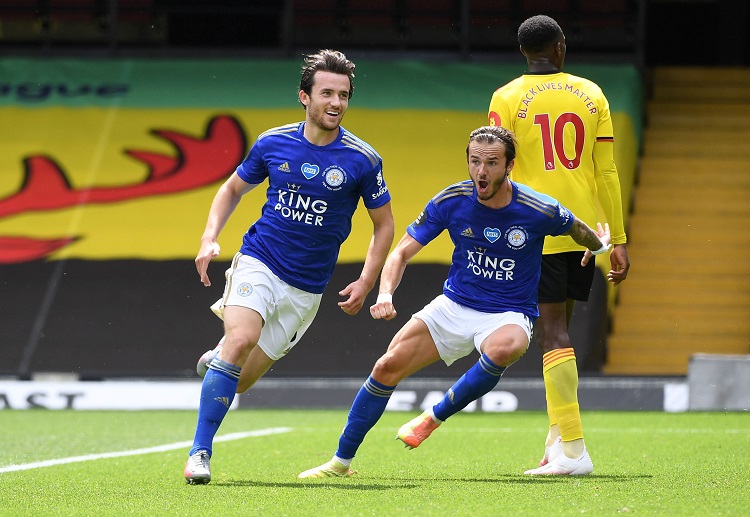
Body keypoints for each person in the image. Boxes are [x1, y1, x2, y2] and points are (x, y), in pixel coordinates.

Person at [298, 125, 611, 479]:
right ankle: (340, 463)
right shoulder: (451, 201)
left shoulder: (537, 208)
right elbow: (400, 253)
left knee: (507, 346)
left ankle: (433, 417)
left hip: (509, 313)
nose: (481, 171)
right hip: (455, 305)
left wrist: (599, 245)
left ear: (509, 166)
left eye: (492, 162)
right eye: (475, 161)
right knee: (386, 366)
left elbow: (576, 227)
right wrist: (385, 293)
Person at [183, 49, 395, 484]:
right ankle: (200, 454)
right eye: (327, 93)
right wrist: (209, 237)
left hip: (307, 289)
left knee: (238, 381)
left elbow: (384, 224)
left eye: (344, 95)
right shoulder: (272, 142)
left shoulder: (362, 159)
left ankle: (219, 360)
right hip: (259, 261)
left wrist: (367, 280)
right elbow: (231, 189)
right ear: (305, 96)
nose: (336, 102)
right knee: (241, 338)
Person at [487, 14, 630, 475]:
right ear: (561, 48)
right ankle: (556, 439)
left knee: (552, 335)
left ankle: (573, 450)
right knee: (560, 332)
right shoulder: (592, 93)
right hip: (585, 232)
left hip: (535, 230)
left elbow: (495, 168)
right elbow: (605, 172)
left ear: (523, 52)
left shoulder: (506, 97)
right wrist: (617, 239)